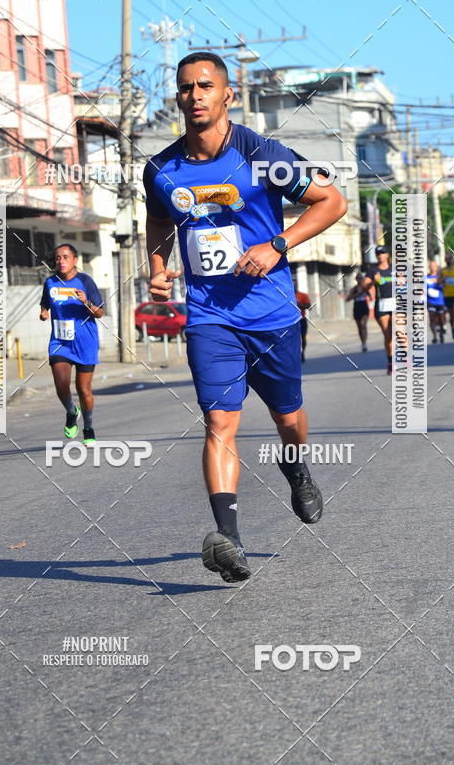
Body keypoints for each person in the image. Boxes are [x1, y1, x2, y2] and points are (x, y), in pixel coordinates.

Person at [143, 52, 347, 583]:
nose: (195, 95)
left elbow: (332, 202)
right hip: (210, 317)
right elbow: (159, 218)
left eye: (205, 86)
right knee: (219, 422)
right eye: (186, 88)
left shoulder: (262, 154)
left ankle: (295, 464)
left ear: (227, 94)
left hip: (272, 314)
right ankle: (228, 539)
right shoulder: (162, 168)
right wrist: (159, 267)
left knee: (288, 419)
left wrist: (278, 244)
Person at [40, 244, 104, 446]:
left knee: (83, 389)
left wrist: (86, 302)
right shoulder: (50, 282)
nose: (61, 261)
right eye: (58, 258)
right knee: (61, 385)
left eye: (65, 257)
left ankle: (88, 427)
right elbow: (45, 302)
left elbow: (100, 312)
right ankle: (71, 411)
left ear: (75, 260)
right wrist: (43, 312)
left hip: (85, 342)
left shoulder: (85, 281)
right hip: (60, 342)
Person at [363, 246, 394, 374]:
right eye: (378, 253)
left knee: (401, 333)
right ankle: (391, 362)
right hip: (382, 304)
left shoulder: (396, 268)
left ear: (387, 254)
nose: (380, 255)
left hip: (397, 303)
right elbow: (365, 285)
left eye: (383, 252)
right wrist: (372, 283)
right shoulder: (373, 270)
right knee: (388, 335)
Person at [346, 272, 369, 352]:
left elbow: (371, 296)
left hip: (364, 306)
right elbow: (347, 299)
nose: (360, 279)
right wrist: (356, 294)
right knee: (359, 326)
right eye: (358, 278)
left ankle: (365, 343)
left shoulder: (365, 287)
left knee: (363, 324)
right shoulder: (354, 289)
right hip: (357, 306)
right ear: (356, 279)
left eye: (361, 278)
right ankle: (362, 342)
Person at [426, 260, 446, 343]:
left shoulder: (441, 277)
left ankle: (441, 331)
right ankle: (434, 336)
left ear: (437, 267)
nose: (432, 267)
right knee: (432, 318)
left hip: (440, 301)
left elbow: (445, 286)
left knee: (441, 319)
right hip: (430, 301)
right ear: (429, 267)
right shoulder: (426, 277)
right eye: (431, 266)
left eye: (434, 266)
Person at [295, 289, 312, 362]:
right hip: (292, 321)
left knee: (303, 337)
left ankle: (302, 352)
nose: (293, 284)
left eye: (295, 282)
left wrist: (300, 305)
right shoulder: (285, 295)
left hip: (301, 319)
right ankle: (296, 354)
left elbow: (309, 306)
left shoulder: (302, 295)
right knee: (294, 339)